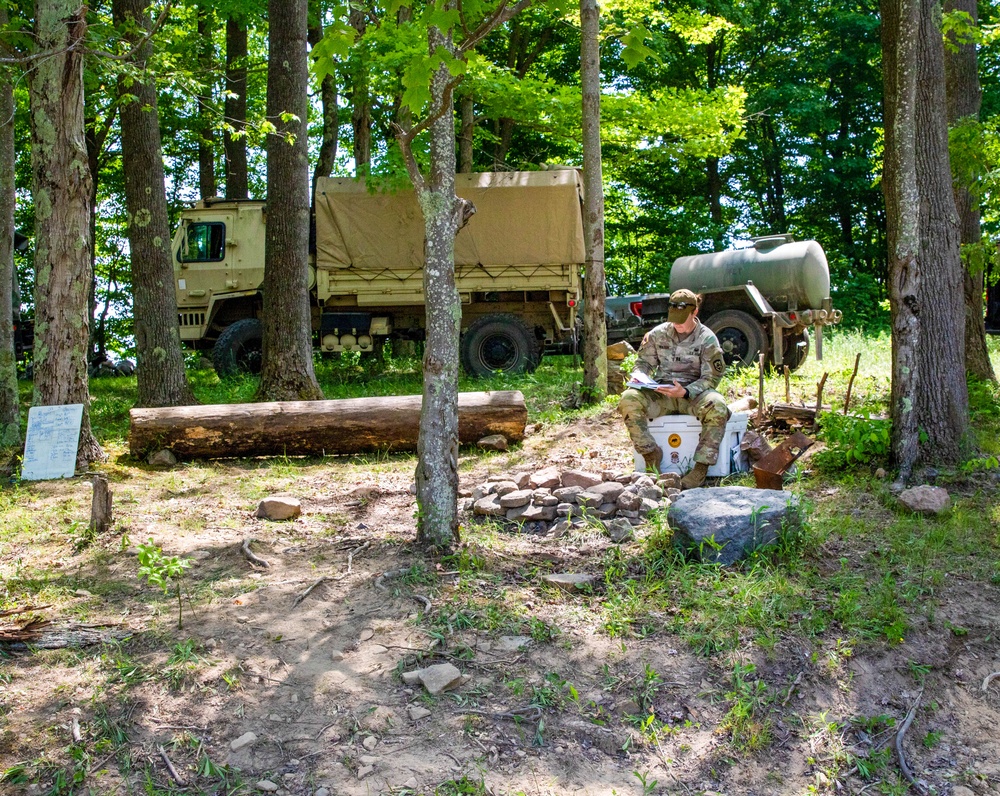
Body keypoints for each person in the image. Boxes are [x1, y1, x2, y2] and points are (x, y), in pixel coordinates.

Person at [618, 288, 730, 489]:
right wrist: (640, 377)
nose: (677, 323)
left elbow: (711, 377)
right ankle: (650, 453)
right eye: (674, 318)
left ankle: (700, 468)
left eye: (682, 319)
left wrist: (686, 391)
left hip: (693, 394)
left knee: (718, 406)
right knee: (628, 398)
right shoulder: (658, 334)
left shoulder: (707, 338)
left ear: (694, 312)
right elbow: (643, 363)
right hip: (663, 393)